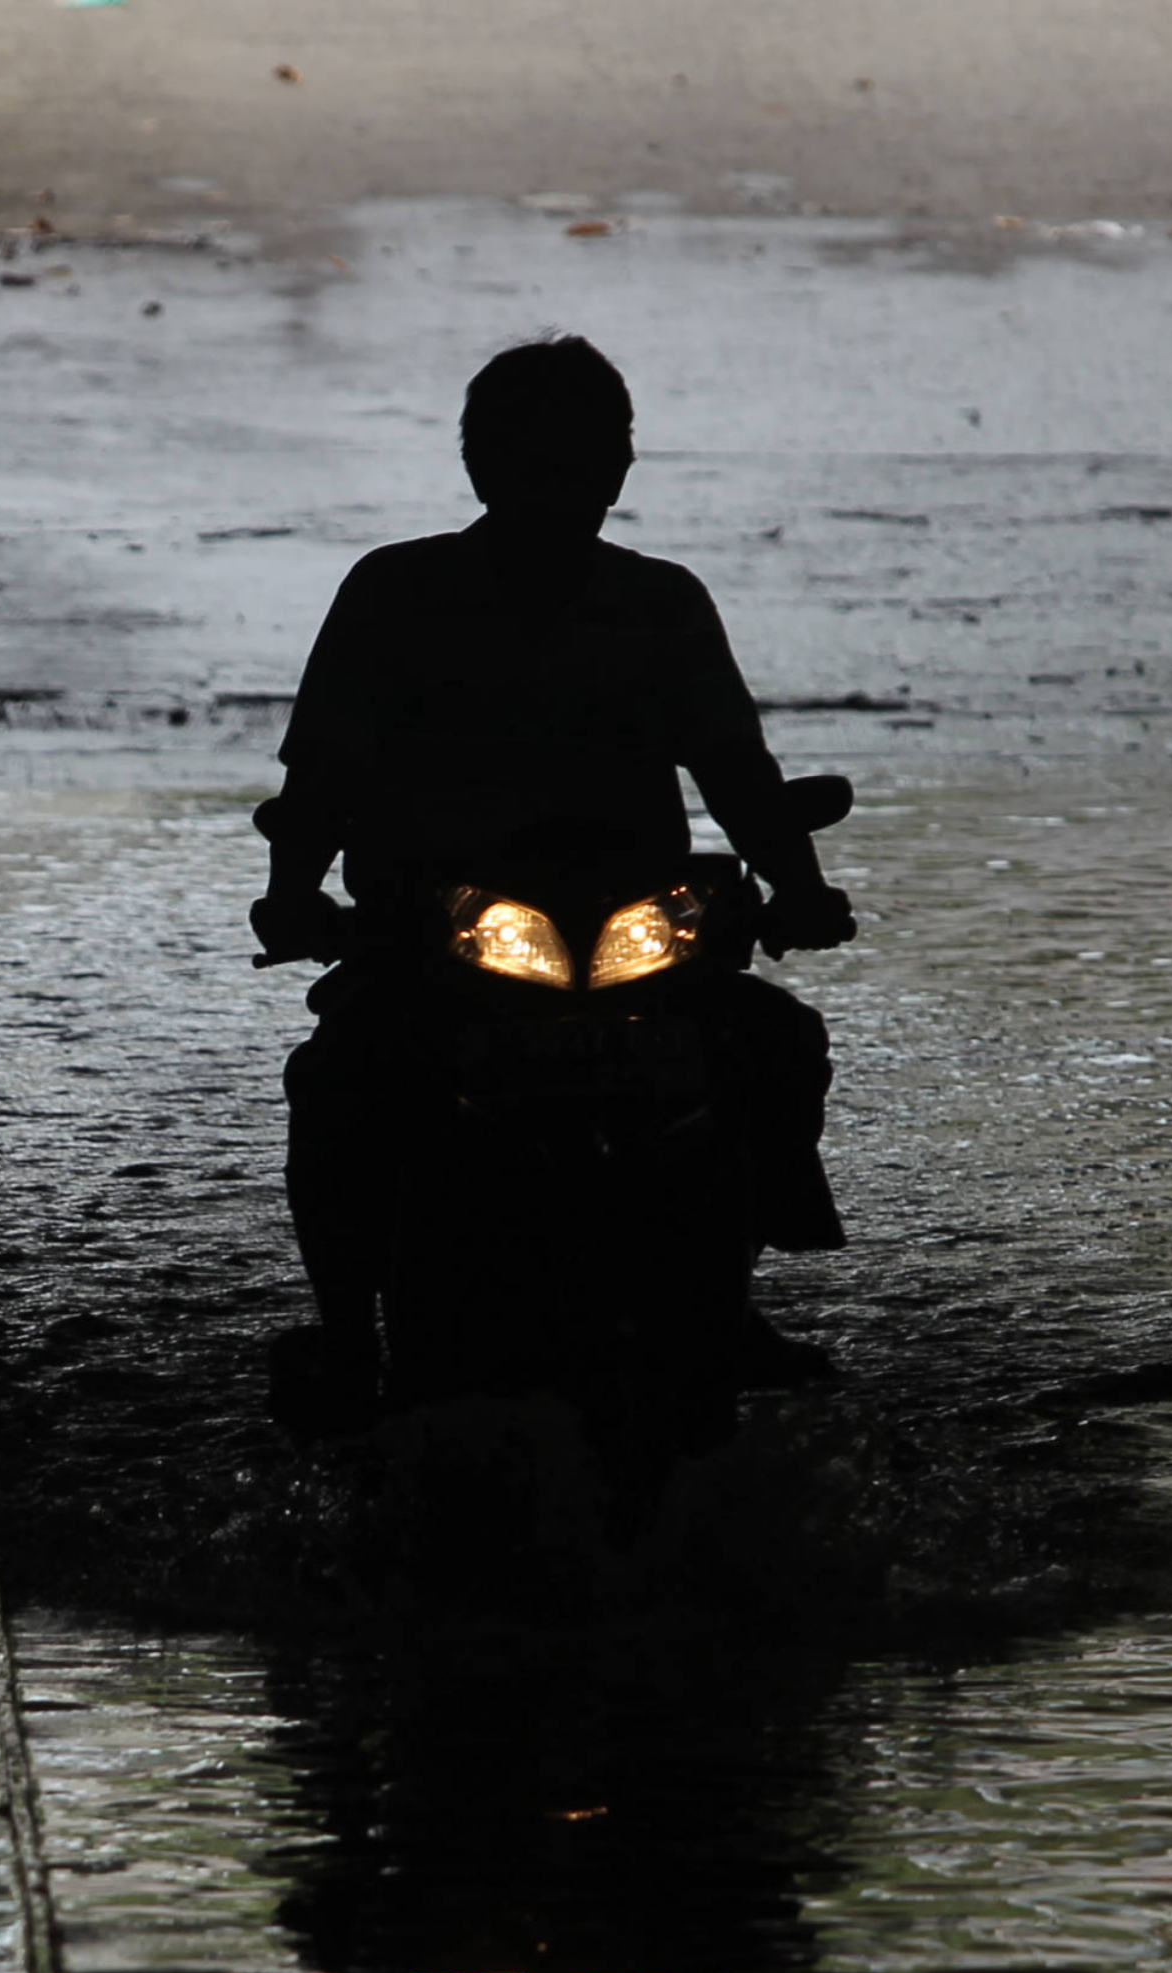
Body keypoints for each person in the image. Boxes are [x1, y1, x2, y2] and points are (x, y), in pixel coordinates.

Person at [248, 334, 851, 1408]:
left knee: (773, 1044)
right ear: (480, 466)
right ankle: (346, 1335)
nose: (566, 481)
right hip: (434, 939)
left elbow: (737, 775)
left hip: (637, 940)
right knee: (343, 1084)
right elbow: (320, 776)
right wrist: (296, 894)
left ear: (619, 469)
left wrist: (797, 887)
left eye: (587, 457)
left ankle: (728, 1296)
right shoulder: (394, 593)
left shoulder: (660, 604)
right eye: (538, 458)